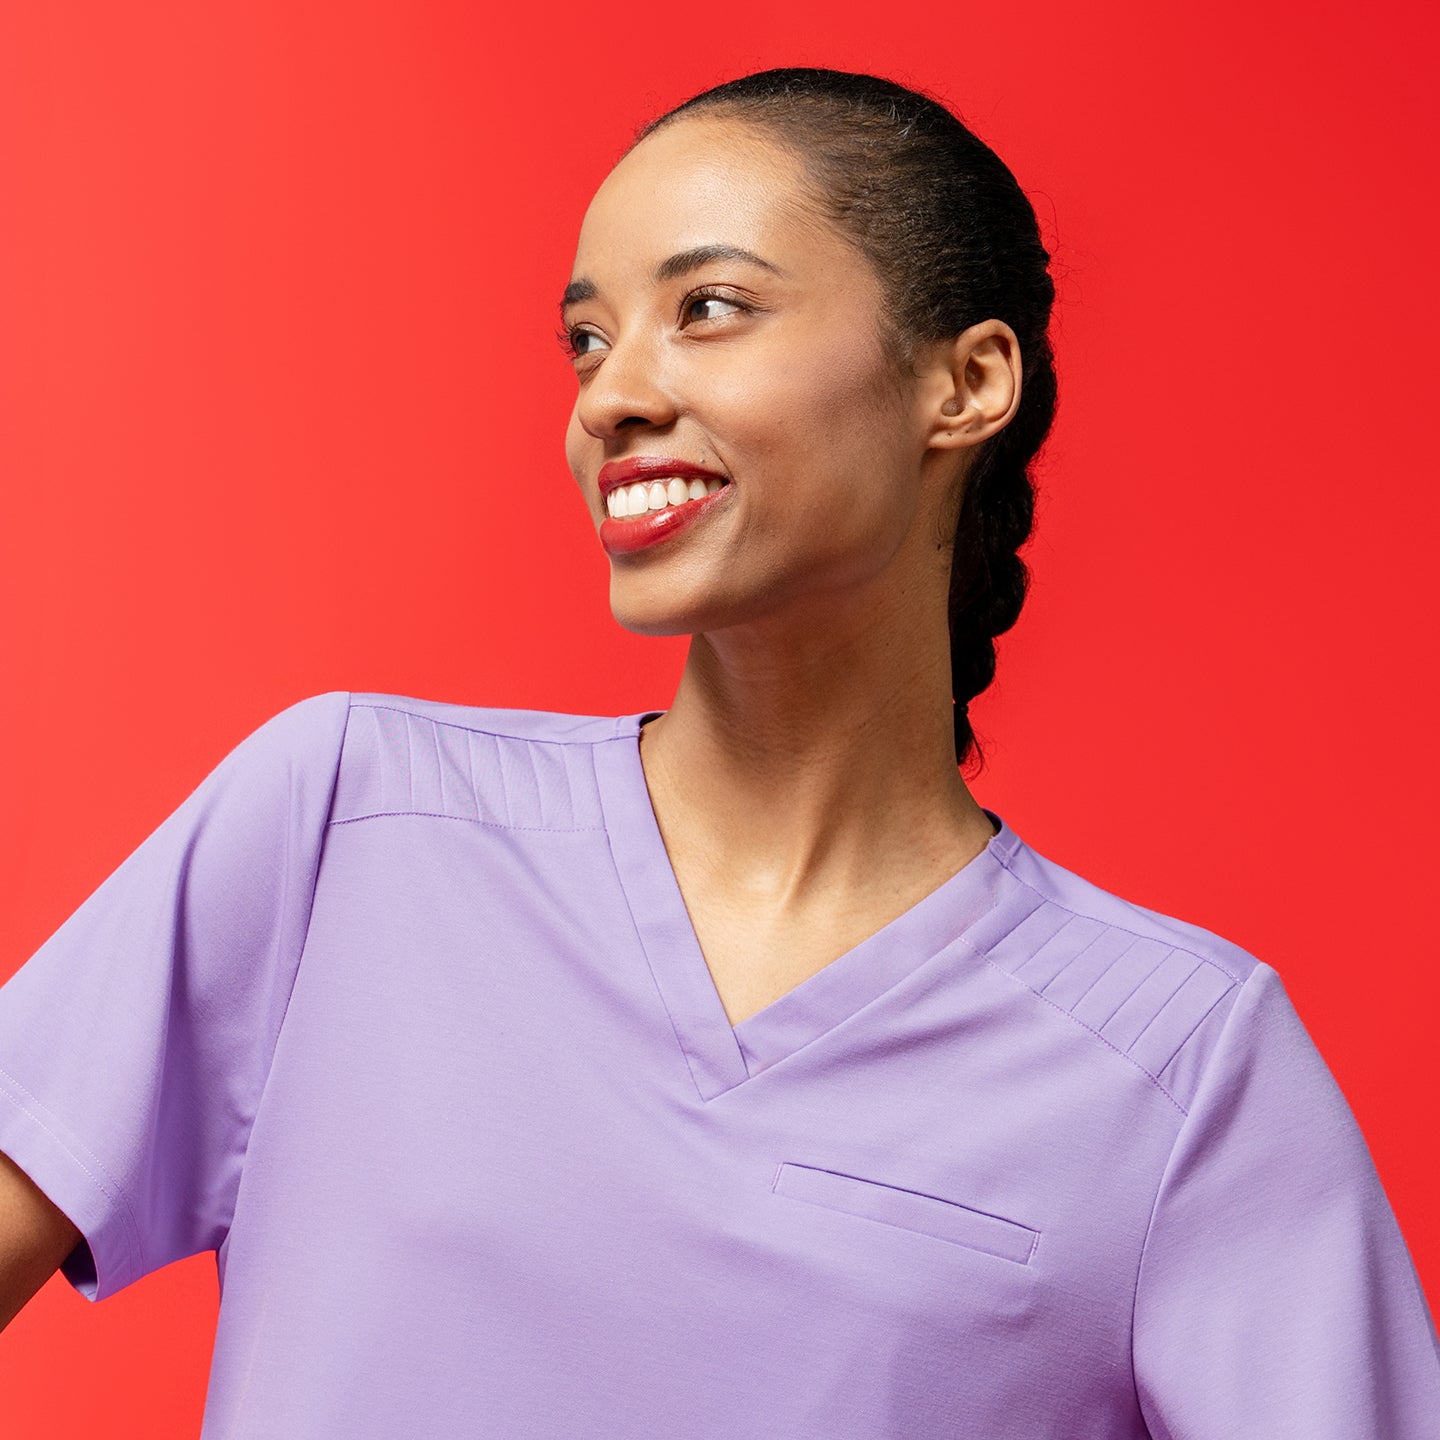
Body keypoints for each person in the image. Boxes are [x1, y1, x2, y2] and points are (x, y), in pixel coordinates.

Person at [1, 66, 1437, 1438]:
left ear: (967, 384)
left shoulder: (1179, 1070)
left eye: (709, 308)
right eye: (587, 336)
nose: (610, 395)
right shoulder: (350, 827)